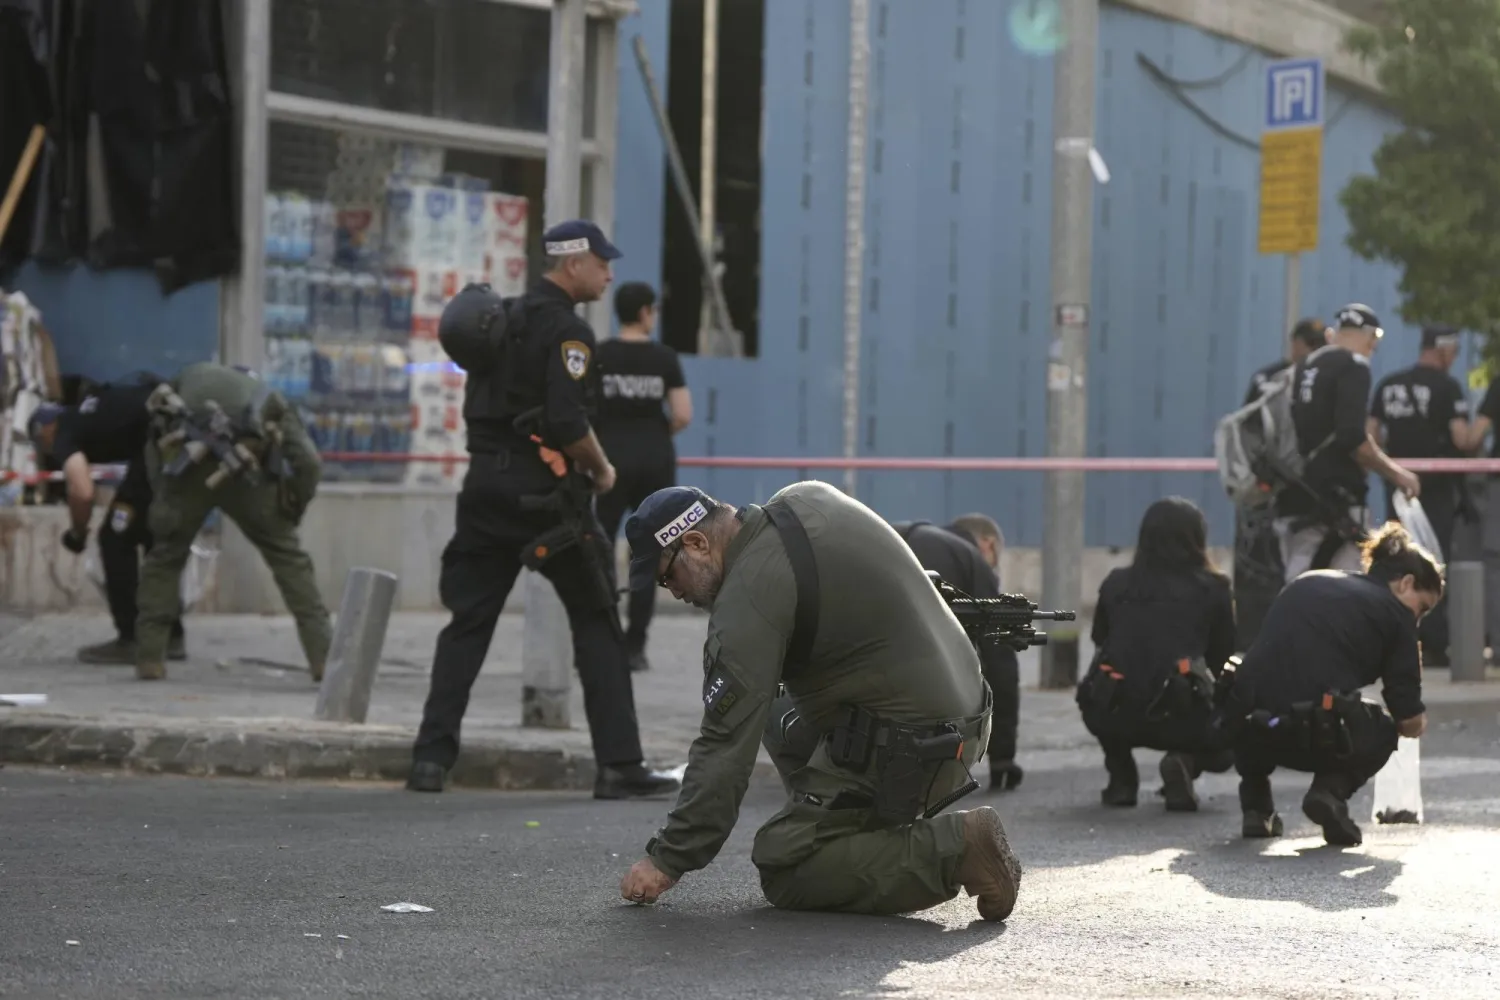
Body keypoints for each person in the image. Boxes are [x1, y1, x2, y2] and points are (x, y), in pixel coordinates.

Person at [615, 481, 1023, 922]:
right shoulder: (804, 498)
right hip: (963, 714)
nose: (673, 591)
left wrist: (668, 860)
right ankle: (844, 823)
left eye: (667, 575)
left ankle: (957, 847)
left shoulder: (748, 599)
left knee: (786, 865)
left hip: (919, 745)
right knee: (772, 711)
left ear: (696, 543)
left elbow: (723, 745)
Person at [406, 220, 680, 802]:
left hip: (483, 491)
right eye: (603, 263)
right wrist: (603, 471)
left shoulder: (496, 321)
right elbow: (564, 420)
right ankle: (620, 765)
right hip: (546, 503)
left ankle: (430, 759)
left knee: (467, 625)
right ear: (574, 263)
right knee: (599, 622)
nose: (610, 274)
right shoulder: (567, 332)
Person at [1225, 522, 1437, 846]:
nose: (1418, 621)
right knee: (1382, 727)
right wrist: (1418, 721)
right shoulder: (1396, 615)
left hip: (1247, 724)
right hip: (1310, 731)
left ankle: (1256, 806)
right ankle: (1329, 792)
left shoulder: (1310, 581)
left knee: (1261, 693)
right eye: (1422, 608)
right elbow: (1407, 718)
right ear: (1406, 583)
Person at [132, 362, 330, 682]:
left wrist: (163, 496)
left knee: (165, 558)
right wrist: (293, 505)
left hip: (187, 477)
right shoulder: (270, 398)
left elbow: (154, 439)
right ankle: (324, 660)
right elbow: (309, 462)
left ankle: (150, 659)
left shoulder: (188, 376)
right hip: (249, 479)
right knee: (289, 562)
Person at [1076, 497, 1237, 811]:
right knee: (1231, 726)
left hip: (1114, 711)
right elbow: (1222, 656)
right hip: (1184, 713)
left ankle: (1122, 777)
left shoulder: (1116, 583)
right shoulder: (1214, 588)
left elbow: (1100, 640)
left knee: (1100, 683)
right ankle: (1185, 761)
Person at [27, 375, 187, 664]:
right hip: (176, 440)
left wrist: (78, 533)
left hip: (158, 444)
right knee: (152, 535)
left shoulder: (64, 431)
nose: (48, 452)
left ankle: (131, 638)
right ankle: (170, 635)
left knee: (115, 538)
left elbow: (83, 491)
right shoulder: (88, 412)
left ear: (44, 430)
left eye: (42, 444)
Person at [1274, 303, 1420, 583]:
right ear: (1369, 335)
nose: (1373, 349)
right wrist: (1398, 474)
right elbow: (1353, 438)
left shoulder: (1303, 366)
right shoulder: (1354, 366)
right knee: (1345, 583)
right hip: (1336, 497)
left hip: (1294, 490)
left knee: (1297, 575)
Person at [594, 281, 692, 673]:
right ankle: (636, 646)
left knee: (599, 545)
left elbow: (586, 411)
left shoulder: (600, 355)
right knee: (649, 552)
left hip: (609, 461)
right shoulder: (664, 358)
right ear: (646, 312)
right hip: (654, 461)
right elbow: (683, 414)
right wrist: (654, 434)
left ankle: (599, 635)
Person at [889, 513, 1022, 791]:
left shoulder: (896, 535)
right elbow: (1000, 663)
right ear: (987, 544)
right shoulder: (970, 558)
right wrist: (1003, 756)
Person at [1367, 324, 1473, 666]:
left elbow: (1371, 436)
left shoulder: (1389, 385)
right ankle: (1435, 643)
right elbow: (1462, 439)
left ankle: (1394, 636)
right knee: (1435, 561)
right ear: (1441, 349)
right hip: (1437, 487)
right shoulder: (1447, 387)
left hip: (1397, 486)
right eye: (1453, 351)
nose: (1454, 358)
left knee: (1397, 560)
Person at [1234, 318, 1330, 649]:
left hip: (1304, 490)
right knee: (1262, 563)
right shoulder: (1271, 380)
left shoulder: (1317, 379)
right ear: (1296, 344)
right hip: (1269, 486)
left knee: (1292, 563)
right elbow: (1249, 429)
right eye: (1311, 345)